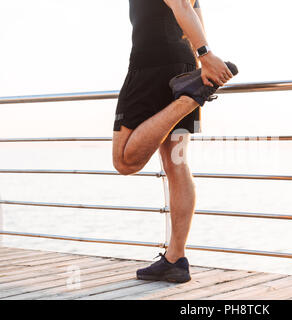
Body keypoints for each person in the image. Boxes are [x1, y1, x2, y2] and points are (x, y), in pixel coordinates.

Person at [112, 0, 238, 283]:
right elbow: (194, 9)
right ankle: (175, 259)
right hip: (183, 66)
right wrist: (197, 65)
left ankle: (189, 98)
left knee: (124, 160)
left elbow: (181, 4)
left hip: (152, 67)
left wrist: (206, 56)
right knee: (176, 162)